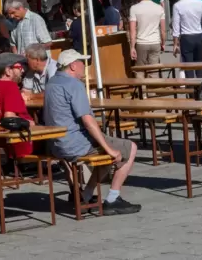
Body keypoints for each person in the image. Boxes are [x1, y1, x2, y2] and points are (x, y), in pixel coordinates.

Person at [43, 49, 140, 215]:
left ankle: (86, 194)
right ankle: (112, 198)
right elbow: (88, 121)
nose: (85, 67)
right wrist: (110, 149)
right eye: (82, 63)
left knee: (105, 148)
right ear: (73, 66)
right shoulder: (74, 84)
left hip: (55, 144)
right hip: (74, 144)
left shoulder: (51, 83)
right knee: (129, 148)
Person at [0, 53, 34, 159]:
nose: (22, 70)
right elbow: (9, 118)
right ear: (8, 71)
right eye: (19, 67)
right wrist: (29, 123)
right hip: (19, 144)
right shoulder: (10, 86)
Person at [172, 0, 202, 78]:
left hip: (186, 38)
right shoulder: (200, 3)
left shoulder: (177, 5)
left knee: (188, 66)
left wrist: (175, 43)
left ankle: (191, 91)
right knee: (200, 65)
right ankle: (200, 89)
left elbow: (176, 27)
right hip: (199, 36)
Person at [129, 0, 165, 75]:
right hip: (155, 42)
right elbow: (163, 30)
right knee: (154, 72)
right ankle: (152, 89)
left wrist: (132, 47)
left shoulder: (134, 8)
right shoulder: (159, 8)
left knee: (140, 72)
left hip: (141, 43)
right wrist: (163, 43)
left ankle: (142, 89)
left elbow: (132, 31)